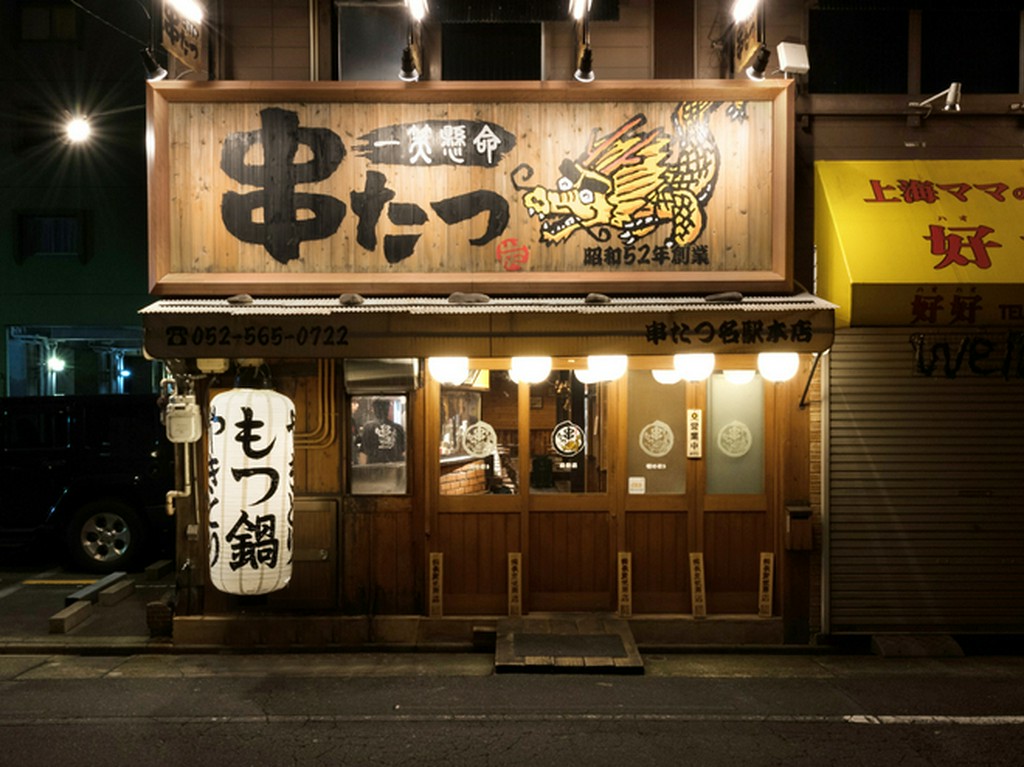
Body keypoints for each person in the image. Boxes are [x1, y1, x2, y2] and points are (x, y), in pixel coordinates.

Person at [358, 398, 406, 464]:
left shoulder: (368, 427)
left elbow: (363, 453)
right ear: (388, 409)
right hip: (394, 470)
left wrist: (362, 472)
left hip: (374, 470)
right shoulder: (398, 428)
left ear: (374, 410)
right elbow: (404, 453)